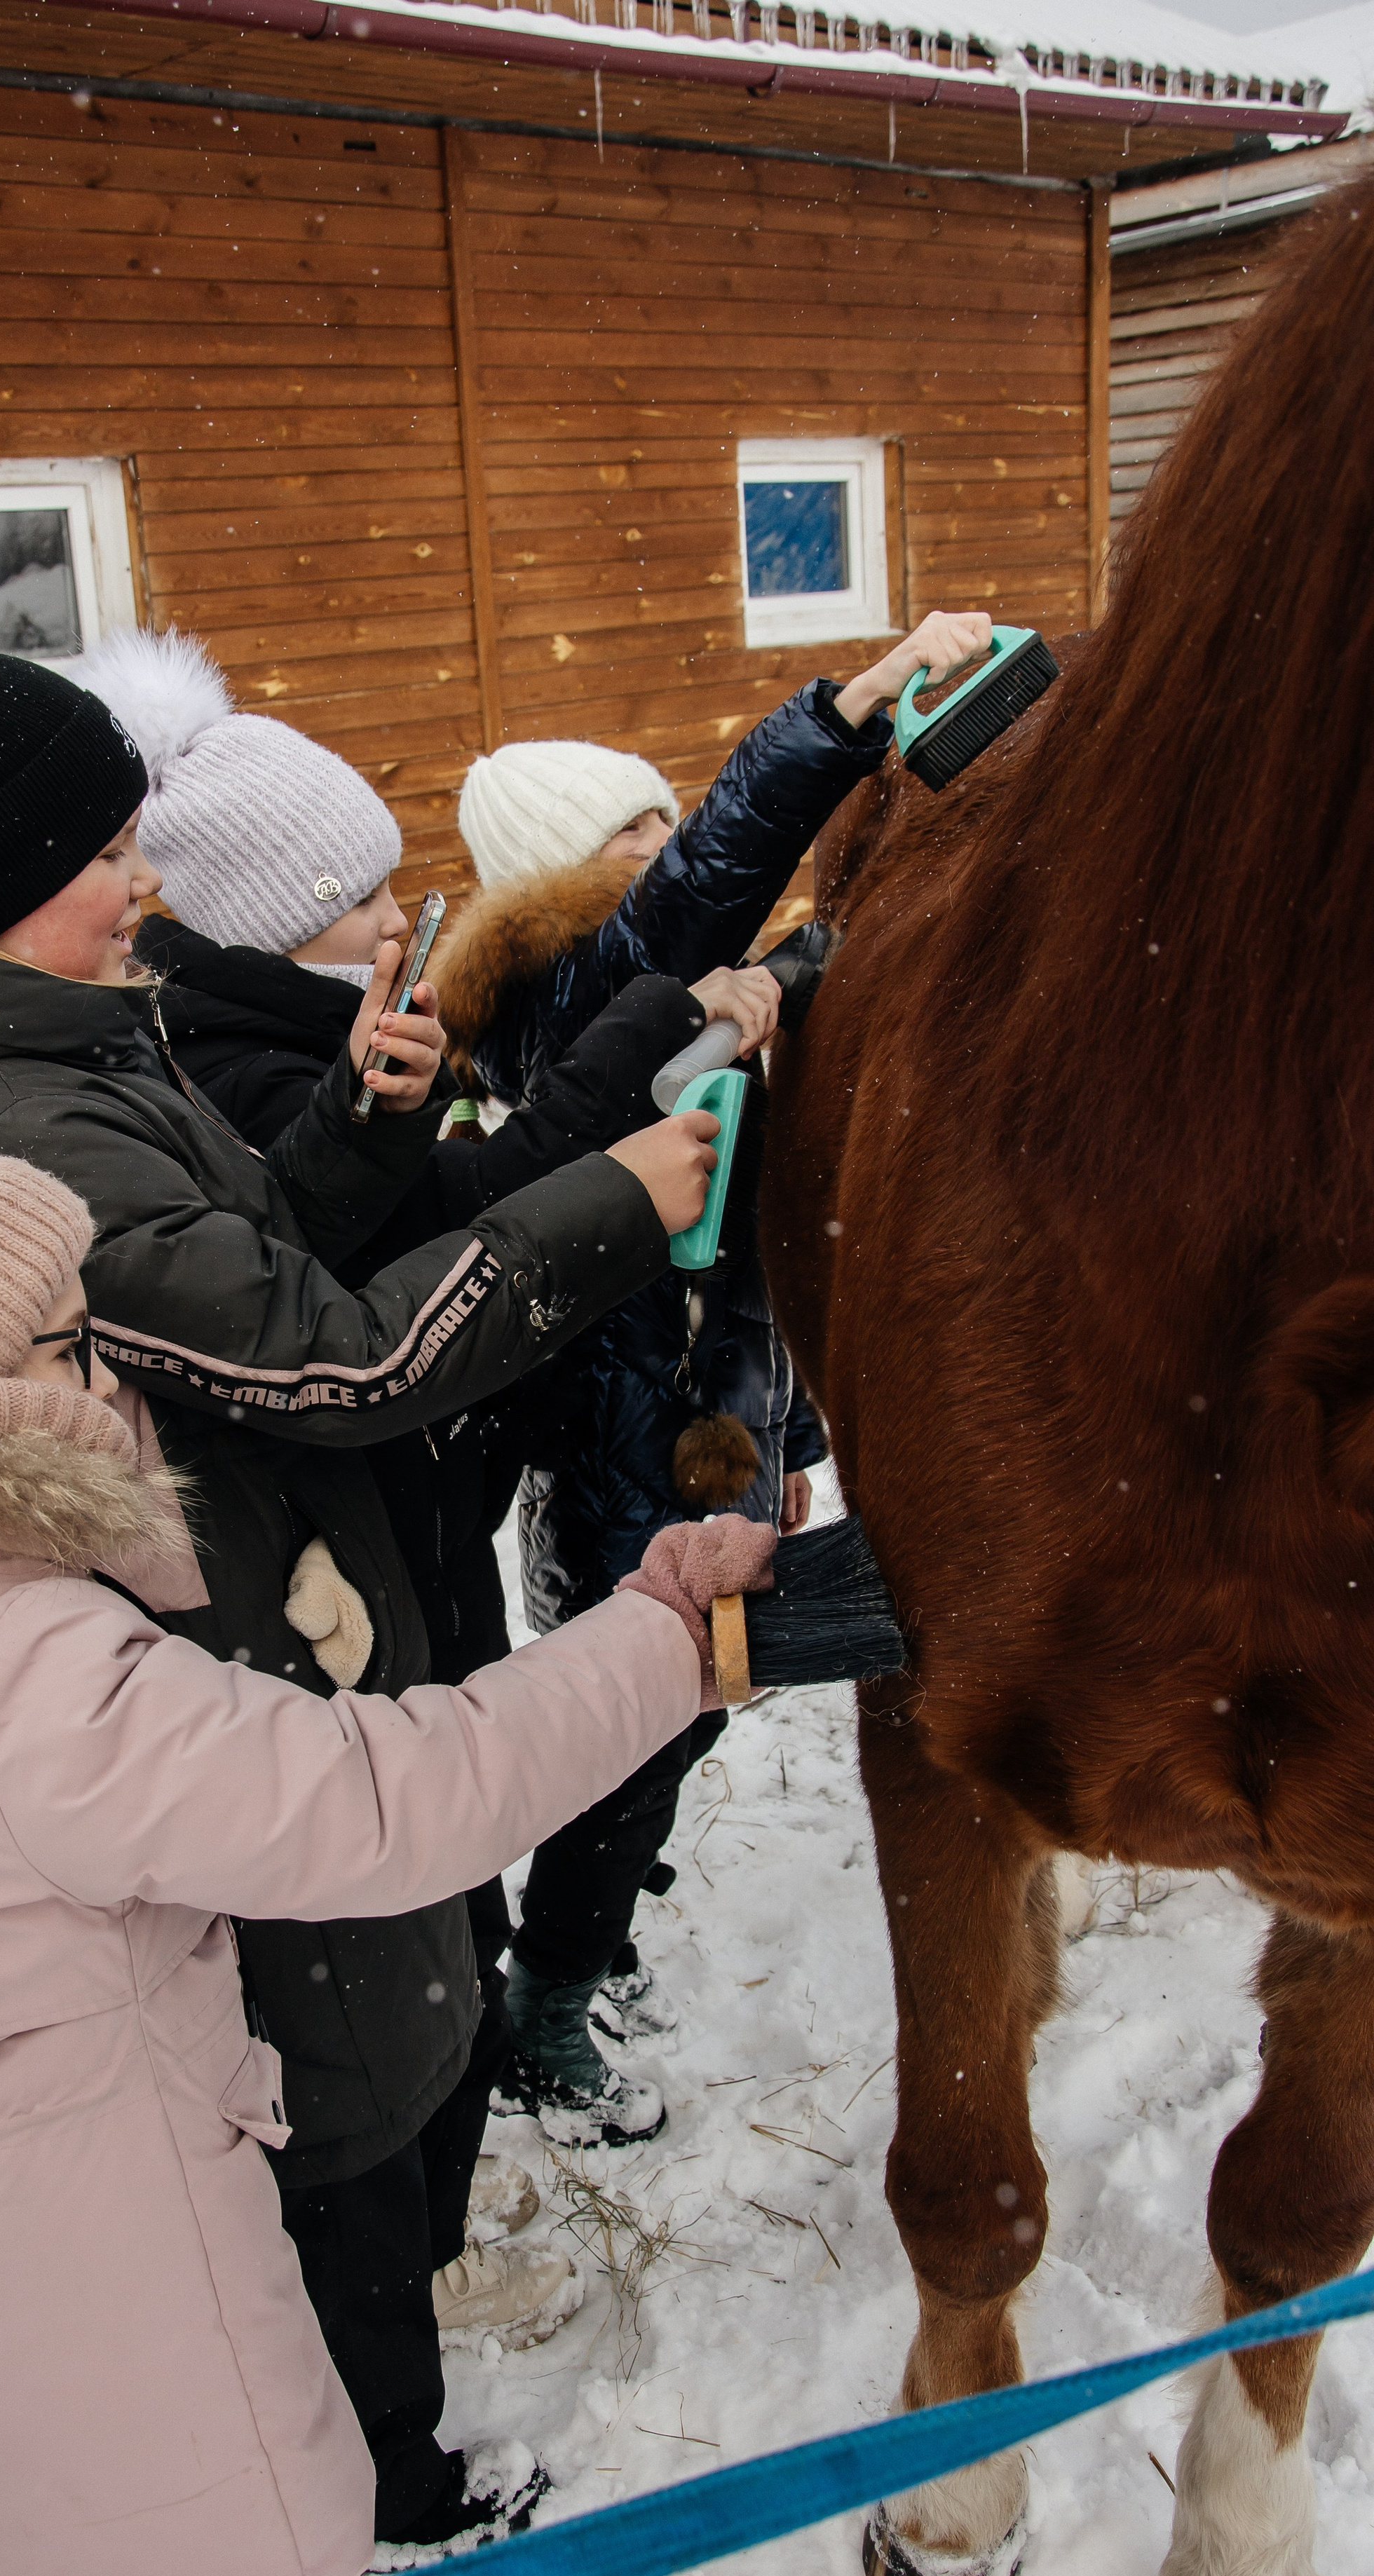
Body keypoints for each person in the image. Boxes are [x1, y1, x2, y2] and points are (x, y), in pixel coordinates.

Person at [0, 647, 718, 2555]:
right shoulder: (8, 1129)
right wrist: (619, 1197)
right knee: (346, 2073)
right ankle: (383, 2487)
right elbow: (334, 1359)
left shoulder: (43, 1034)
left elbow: (238, 1257)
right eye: (107, 853)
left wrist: (359, 1129)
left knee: (390, 2006)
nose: (144, 887)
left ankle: (375, 2393)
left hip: (278, 1571)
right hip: (220, 1623)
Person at [0, 1127, 775, 2576]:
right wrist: (662, 1634)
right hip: (118, 2354)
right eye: (58, 1342)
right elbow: (391, 1806)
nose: (105, 1377)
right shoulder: (6, 1677)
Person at [73, 625, 785, 2305]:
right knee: (487, 1817)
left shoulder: (357, 1032)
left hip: (461, 1481)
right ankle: (463, 2139)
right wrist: (629, 1147)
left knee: (527, 1788)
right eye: (355, 893)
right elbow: (427, 1262)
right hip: (393, 1510)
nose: (400, 913)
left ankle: (498, 2027)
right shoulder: (278, 1060)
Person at [438, 610, 996, 2142]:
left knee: (668, 1723)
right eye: (636, 828)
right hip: (625, 1446)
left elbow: (750, 1259)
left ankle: (586, 1931)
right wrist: (839, 720)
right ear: (563, 870)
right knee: (637, 1728)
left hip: (698, 1429)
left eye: (664, 812)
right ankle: (544, 2009)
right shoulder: (568, 993)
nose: (669, 836)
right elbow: (705, 886)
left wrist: (784, 1432)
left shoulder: (660, 1000)